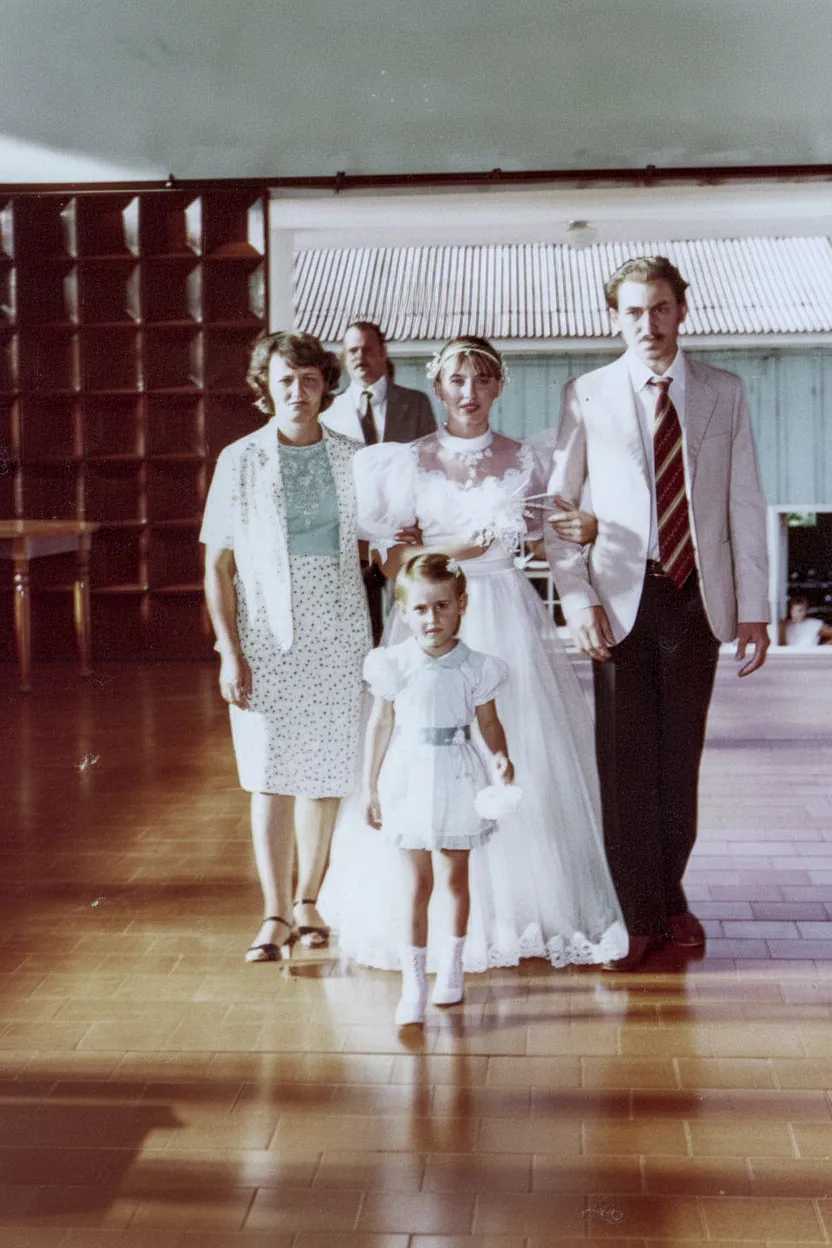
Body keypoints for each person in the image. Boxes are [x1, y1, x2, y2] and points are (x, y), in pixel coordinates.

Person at [320, 335, 627, 973]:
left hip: (507, 612)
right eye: (457, 380)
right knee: (429, 754)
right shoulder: (407, 461)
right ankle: (433, 921)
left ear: (498, 387)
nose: (468, 392)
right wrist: (459, 548)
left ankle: (523, 907)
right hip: (435, 617)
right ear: (438, 388)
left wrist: (585, 533)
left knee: (516, 751)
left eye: (481, 380)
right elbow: (394, 557)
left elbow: (551, 543)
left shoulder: (529, 459)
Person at [544, 255, 770, 972]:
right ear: (617, 317)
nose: (649, 323)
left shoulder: (724, 393)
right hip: (618, 599)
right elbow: (559, 509)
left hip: (694, 600)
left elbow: (744, 503)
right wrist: (575, 598)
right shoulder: (587, 393)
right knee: (625, 765)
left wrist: (756, 611)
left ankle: (668, 895)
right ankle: (636, 914)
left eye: (662, 307)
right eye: (635, 311)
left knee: (679, 765)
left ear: (683, 310)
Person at [200, 330, 371, 963]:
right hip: (264, 636)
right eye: (284, 380)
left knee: (325, 772)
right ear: (264, 389)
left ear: (326, 384)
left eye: (307, 379)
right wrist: (229, 650)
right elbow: (219, 566)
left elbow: (371, 543)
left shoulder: (355, 457)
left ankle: (308, 900)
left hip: (339, 631)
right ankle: (273, 912)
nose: (296, 391)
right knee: (269, 772)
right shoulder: (239, 459)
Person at [363, 552, 515, 1025]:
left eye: (443, 606)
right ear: (404, 612)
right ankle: (413, 983)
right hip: (408, 776)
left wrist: (500, 757)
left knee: (453, 879)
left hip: (455, 774)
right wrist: (371, 787)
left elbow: (489, 722)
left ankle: (451, 968)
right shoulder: (393, 665)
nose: (433, 619)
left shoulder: (477, 667)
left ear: (462, 605)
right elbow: (381, 724)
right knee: (417, 883)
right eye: (422, 609)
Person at [322, 321, 437, 644]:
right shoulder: (329, 412)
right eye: (352, 351)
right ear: (344, 357)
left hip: (405, 532)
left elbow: (428, 468)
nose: (360, 357)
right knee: (364, 626)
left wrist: (421, 526)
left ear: (383, 353)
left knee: (411, 618)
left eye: (368, 349)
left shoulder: (414, 403)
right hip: (356, 537)